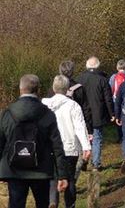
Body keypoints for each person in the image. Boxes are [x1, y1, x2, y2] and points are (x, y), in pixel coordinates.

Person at [0, 74, 68, 208]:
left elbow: (0, 143)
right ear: (38, 90)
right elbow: (57, 146)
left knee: (15, 204)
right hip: (41, 170)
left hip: (14, 169)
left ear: (20, 90)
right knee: (42, 204)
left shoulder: (6, 114)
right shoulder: (48, 114)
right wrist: (62, 175)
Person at [42, 75, 91, 208]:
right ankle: (70, 205)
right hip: (69, 148)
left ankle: (53, 202)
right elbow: (80, 127)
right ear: (68, 89)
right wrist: (86, 147)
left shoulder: (44, 104)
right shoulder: (73, 105)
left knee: (52, 179)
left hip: (49, 148)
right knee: (69, 179)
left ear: (53, 87)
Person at [76, 57, 114, 170]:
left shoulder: (79, 79)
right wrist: (112, 113)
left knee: (83, 137)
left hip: (83, 114)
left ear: (87, 66)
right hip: (98, 113)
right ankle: (96, 163)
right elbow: (108, 98)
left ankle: (84, 159)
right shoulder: (102, 79)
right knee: (97, 138)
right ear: (98, 66)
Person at [109, 60, 125, 143]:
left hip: (115, 99)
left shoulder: (113, 77)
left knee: (118, 117)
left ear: (117, 67)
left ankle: (119, 136)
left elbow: (110, 87)